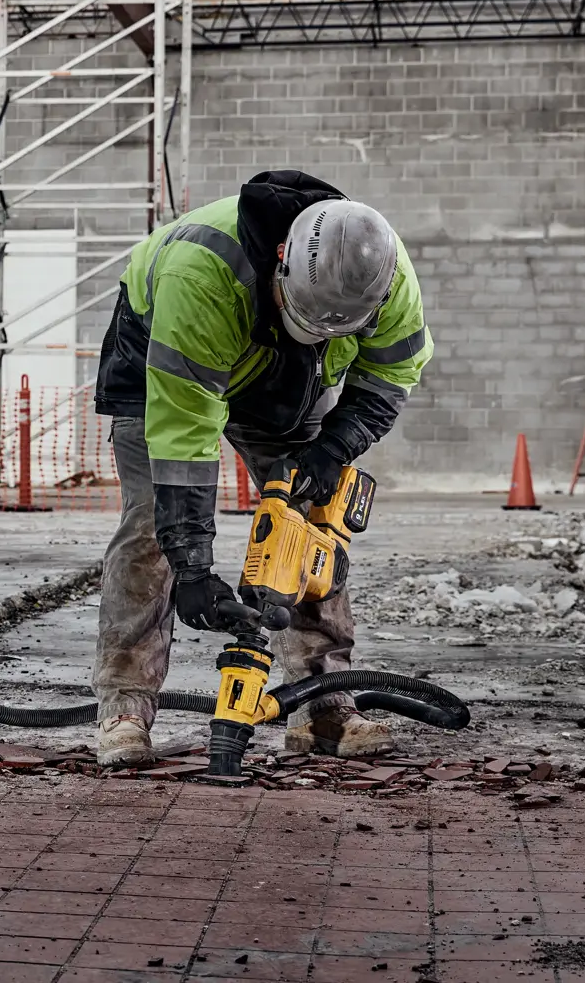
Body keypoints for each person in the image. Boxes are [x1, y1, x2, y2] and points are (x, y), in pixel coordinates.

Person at [91, 171, 432, 766]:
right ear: (282, 262)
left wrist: (331, 450)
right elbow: (184, 434)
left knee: (309, 518)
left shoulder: (382, 271)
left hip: (290, 373)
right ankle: (124, 711)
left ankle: (324, 706)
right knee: (151, 529)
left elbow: (390, 376)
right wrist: (193, 564)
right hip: (167, 354)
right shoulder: (200, 275)